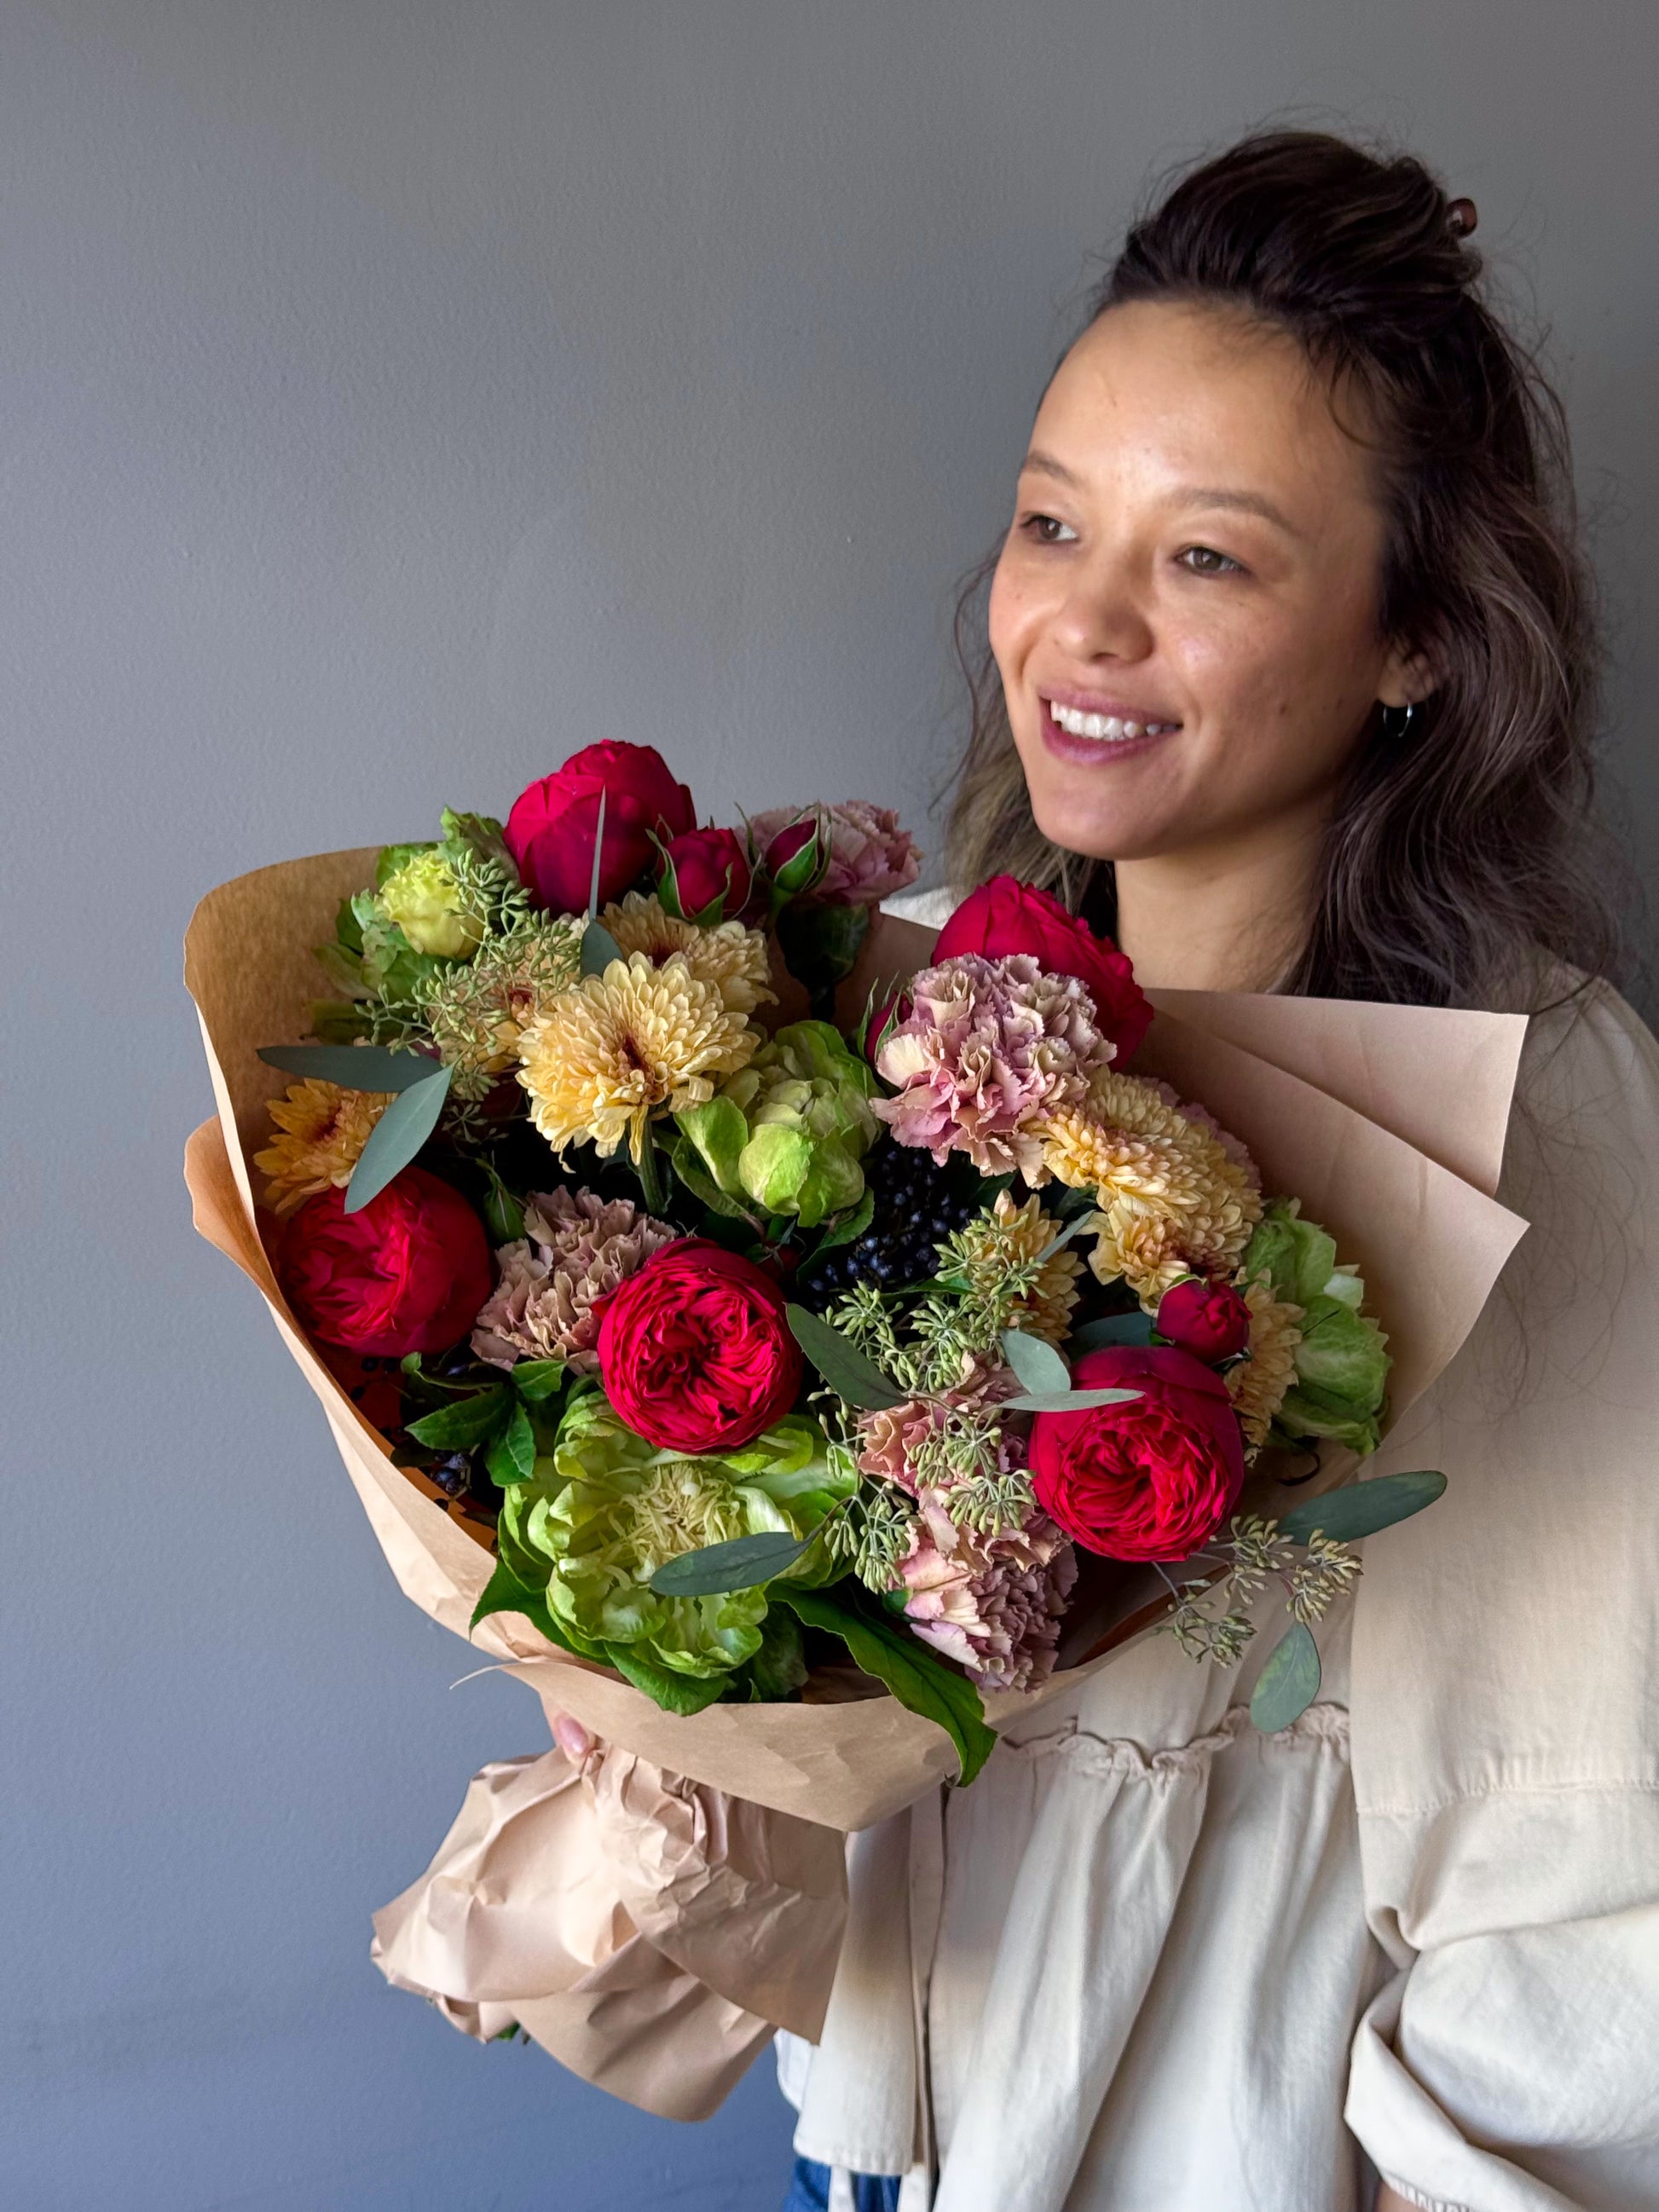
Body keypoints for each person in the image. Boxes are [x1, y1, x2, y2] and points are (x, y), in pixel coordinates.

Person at [562, 130, 1659, 2210]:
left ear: (1415, 637)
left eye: (1209, 558)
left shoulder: (1548, 1112)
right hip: (897, 2134)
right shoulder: (915, 1025)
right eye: (1052, 519)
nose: (1085, 622)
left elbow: (1597, 1873)